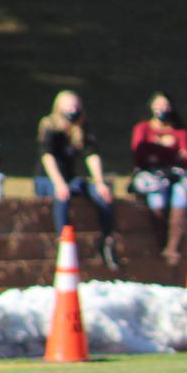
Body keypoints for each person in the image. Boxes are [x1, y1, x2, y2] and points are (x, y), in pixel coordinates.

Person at [36, 89, 118, 270]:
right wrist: (58, 183)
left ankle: (107, 240)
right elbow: (47, 157)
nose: (73, 109)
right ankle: (63, 243)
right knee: (62, 197)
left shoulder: (81, 127)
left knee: (100, 195)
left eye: (76, 105)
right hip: (47, 178)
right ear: (59, 107)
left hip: (70, 177)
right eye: (69, 105)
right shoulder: (50, 127)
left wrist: (99, 182)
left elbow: (92, 155)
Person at [130, 91, 187, 266]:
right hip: (152, 175)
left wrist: (160, 153)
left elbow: (184, 157)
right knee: (157, 197)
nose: (162, 109)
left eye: (166, 105)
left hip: (173, 174)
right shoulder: (143, 128)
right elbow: (140, 155)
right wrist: (163, 147)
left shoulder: (178, 130)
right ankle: (160, 243)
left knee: (181, 192)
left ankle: (172, 248)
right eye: (159, 105)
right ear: (151, 107)